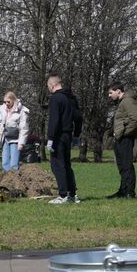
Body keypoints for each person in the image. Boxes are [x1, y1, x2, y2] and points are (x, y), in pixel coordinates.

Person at [45, 75, 81, 204]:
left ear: (52, 85)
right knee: (66, 165)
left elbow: (54, 120)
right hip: (68, 135)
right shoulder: (71, 98)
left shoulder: (55, 98)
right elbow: (78, 117)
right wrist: (76, 134)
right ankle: (72, 194)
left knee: (57, 165)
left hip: (58, 136)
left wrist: (50, 138)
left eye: (48, 87)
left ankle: (62, 195)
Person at [107, 81, 137, 199]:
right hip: (120, 138)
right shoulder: (122, 102)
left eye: (111, 93)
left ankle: (129, 193)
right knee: (122, 166)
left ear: (118, 91)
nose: (109, 95)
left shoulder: (128, 101)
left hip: (125, 139)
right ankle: (123, 191)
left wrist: (124, 133)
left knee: (126, 166)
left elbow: (136, 119)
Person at [0, 91, 29, 171]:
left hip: (16, 140)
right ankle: (6, 180)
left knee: (14, 163)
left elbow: (24, 128)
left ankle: (14, 181)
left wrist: (22, 143)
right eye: (5, 102)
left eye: (8, 102)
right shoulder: (3, 110)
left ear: (14, 100)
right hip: (5, 138)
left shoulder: (22, 111)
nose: (6, 103)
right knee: (5, 162)